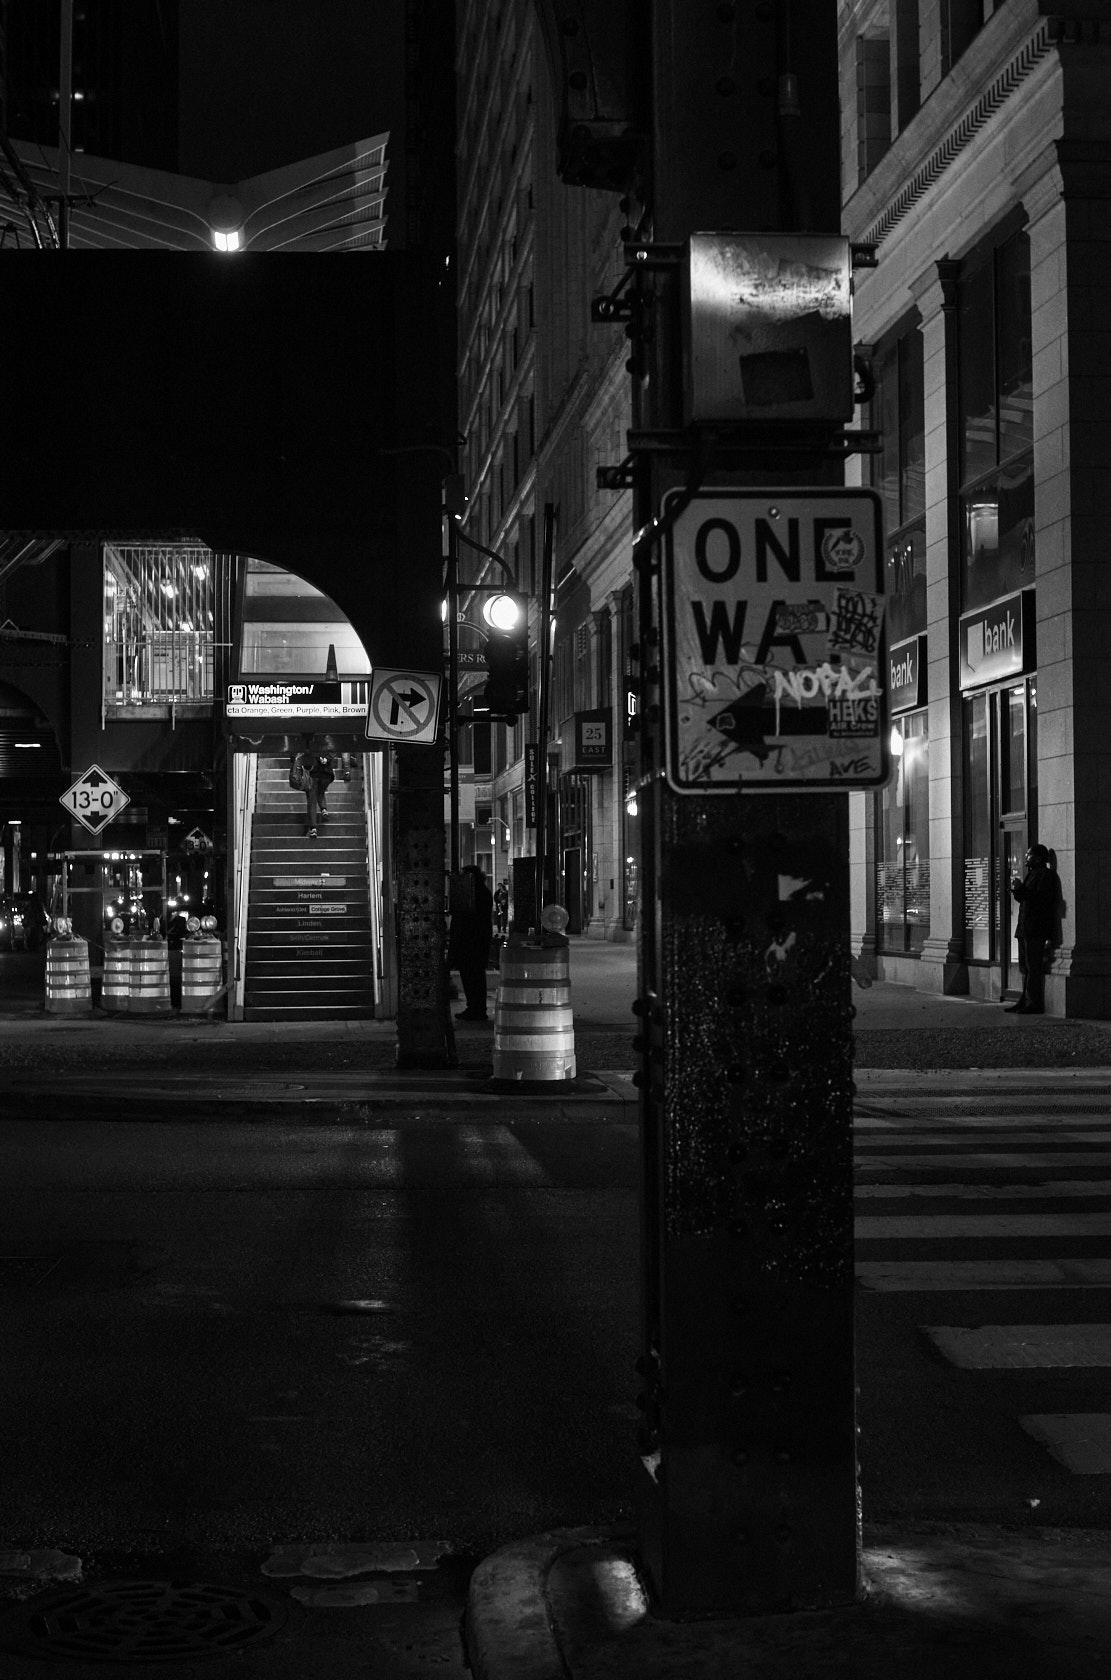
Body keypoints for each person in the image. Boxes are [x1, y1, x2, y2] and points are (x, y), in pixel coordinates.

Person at [1006, 843, 1056, 1014]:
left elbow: (1041, 900)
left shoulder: (1045, 876)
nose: (1027, 858)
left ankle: (1033, 1002)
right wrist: (1018, 891)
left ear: (1039, 858)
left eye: (1030, 855)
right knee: (1025, 966)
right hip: (1025, 926)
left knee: (1032, 966)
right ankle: (1025, 999)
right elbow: (1026, 899)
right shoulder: (1032, 874)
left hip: (1035, 928)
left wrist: (1022, 890)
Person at [449, 864, 494, 1022]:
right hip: (478, 941)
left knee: (471, 976)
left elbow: (466, 918)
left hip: (471, 942)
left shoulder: (474, 893)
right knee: (476, 976)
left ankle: (475, 1008)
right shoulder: (483, 892)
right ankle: (477, 1008)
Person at [291, 744, 335, 839]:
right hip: (326, 773)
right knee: (320, 791)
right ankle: (323, 809)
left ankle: (313, 828)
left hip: (311, 772)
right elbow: (334, 746)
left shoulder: (305, 740)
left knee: (312, 800)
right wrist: (327, 759)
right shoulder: (325, 736)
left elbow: (294, 753)